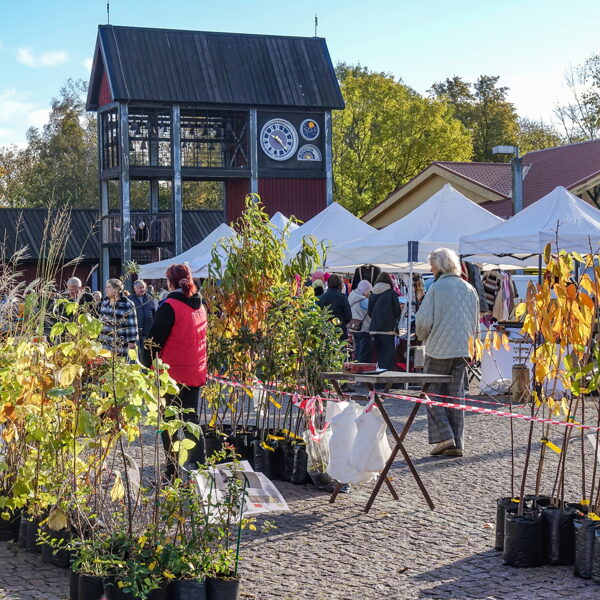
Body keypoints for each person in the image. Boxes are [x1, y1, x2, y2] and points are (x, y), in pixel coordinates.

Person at [415, 248, 479, 458]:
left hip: (439, 350)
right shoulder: (469, 288)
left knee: (431, 392)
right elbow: (475, 322)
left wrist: (421, 335)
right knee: (455, 395)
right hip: (463, 349)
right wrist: (473, 349)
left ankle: (445, 437)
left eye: (432, 265)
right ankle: (457, 443)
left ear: (440, 266)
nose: (430, 269)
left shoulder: (436, 288)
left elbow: (423, 321)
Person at [147, 263, 207, 478]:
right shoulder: (200, 306)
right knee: (191, 421)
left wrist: (146, 367)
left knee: (169, 424)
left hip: (171, 374)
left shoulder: (169, 306)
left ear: (170, 282)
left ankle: (172, 471)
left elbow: (154, 341)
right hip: (195, 371)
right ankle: (200, 468)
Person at [368, 272, 401, 370]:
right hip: (388, 329)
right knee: (388, 355)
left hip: (375, 328)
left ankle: (380, 375)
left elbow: (370, 312)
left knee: (379, 354)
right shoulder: (392, 293)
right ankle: (386, 377)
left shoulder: (372, 293)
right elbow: (397, 311)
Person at [98, 278, 138, 358]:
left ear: (116, 289)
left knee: (119, 365)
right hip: (104, 345)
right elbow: (100, 322)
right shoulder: (105, 302)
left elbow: (131, 325)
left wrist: (132, 342)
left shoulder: (127, 303)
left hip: (119, 346)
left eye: (109, 287)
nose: (106, 290)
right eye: (106, 287)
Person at [317, 273, 352, 339]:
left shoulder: (321, 298)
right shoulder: (343, 297)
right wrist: (342, 322)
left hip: (325, 330)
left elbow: (318, 315)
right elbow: (348, 316)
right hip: (340, 329)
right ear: (340, 284)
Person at [130, 279, 156, 367]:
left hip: (148, 332)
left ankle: (145, 371)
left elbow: (154, 314)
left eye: (143, 287)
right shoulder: (130, 299)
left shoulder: (150, 298)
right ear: (134, 289)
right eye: (139, 288)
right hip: (135, 333)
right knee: (136, 355)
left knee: (146, 355)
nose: (142, 289)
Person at [348, 280, 372, 362]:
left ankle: (356, 365)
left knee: (357, 351)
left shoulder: (352, 296)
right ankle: (361, 367)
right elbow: (371, 311)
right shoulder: (364, 301)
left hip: (354, 327)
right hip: (363, 329)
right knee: (363, 353)